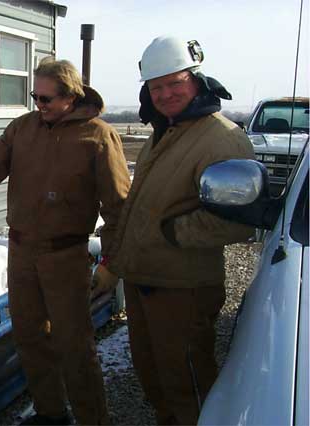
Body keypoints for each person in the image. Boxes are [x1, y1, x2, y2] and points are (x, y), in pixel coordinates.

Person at [0, 57, 130, 425]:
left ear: (70, 96)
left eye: (46, 99)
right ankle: (52, 414)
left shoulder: (98, 136)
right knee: (31, 340)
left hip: (65, 255)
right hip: (21, 252)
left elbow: (120, 207)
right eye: (35, 97)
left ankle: (92, 420)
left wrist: (111, 262)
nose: (39, 105)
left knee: (74, 347)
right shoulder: (23, 129)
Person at [100, 36, 255, 425]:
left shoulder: (222, 138)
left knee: (187, 378)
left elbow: (238, 219)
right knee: (154, 376)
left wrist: (172, 234)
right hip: (145, 281)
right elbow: (139, 208)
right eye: (156, 87)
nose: (166, 94)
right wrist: (118, 261)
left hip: (183, 288)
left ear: (197, 80)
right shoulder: (164, 131)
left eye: (175, 82)